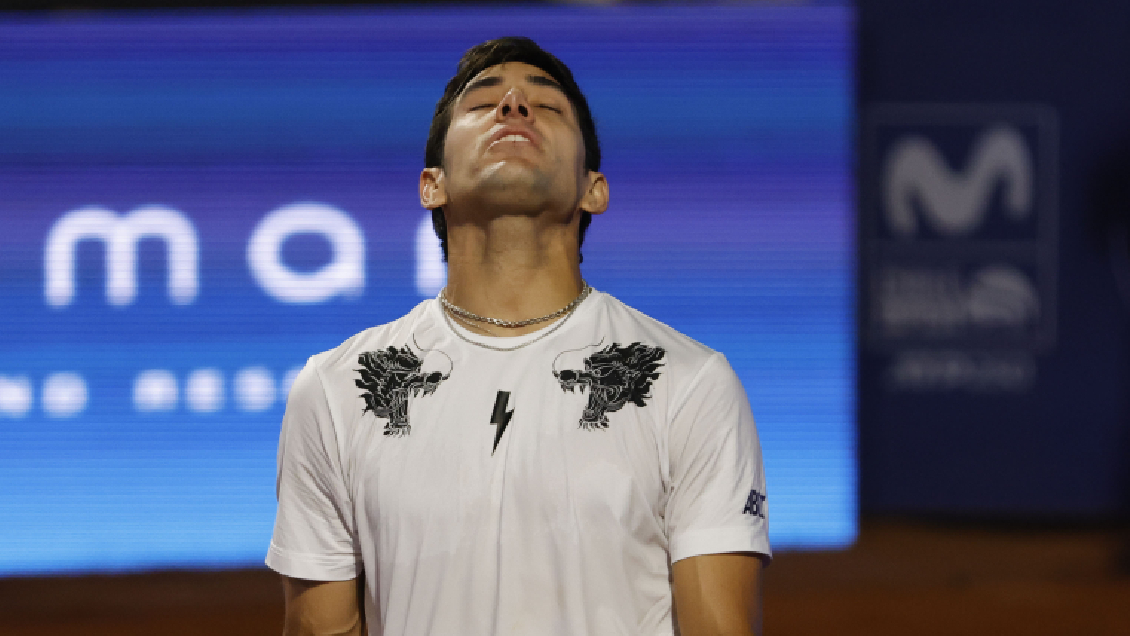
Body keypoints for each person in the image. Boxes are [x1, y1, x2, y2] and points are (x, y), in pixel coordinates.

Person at [266, 37, 770, 636]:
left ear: (594, 189)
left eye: (547, 107)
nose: (513, 106)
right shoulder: (334, 390)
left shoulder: (690, 384)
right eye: (483, 103)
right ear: (432, 183)